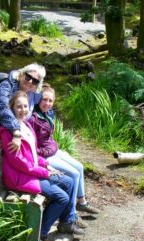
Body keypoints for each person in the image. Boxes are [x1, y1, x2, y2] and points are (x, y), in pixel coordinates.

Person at [0, 91, 84, 240]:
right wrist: (44, 173)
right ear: (11, 109)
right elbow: (19, 163)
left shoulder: (25, 126)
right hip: (20, 178)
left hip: (30, 173)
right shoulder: (8, 134)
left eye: (25, 106)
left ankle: (66, 222)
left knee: (68, 182)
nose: (23, 110)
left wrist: (46, 164)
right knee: (61, 197)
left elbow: (33, 154)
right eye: (19, 107)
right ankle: (40, 233)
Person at [28, 84, 100, 216]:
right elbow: (32, 146)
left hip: (52, 151)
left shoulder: (47, 114)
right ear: (38, 99)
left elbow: (48, 138)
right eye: (44, 99)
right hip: (44, 156)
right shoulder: (33, 118)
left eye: (50, 100)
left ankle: (82, 203)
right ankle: (70, 215)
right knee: (74, 174)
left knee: (79, 166)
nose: (47, 103)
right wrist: (47, 153)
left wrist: (56, 148)